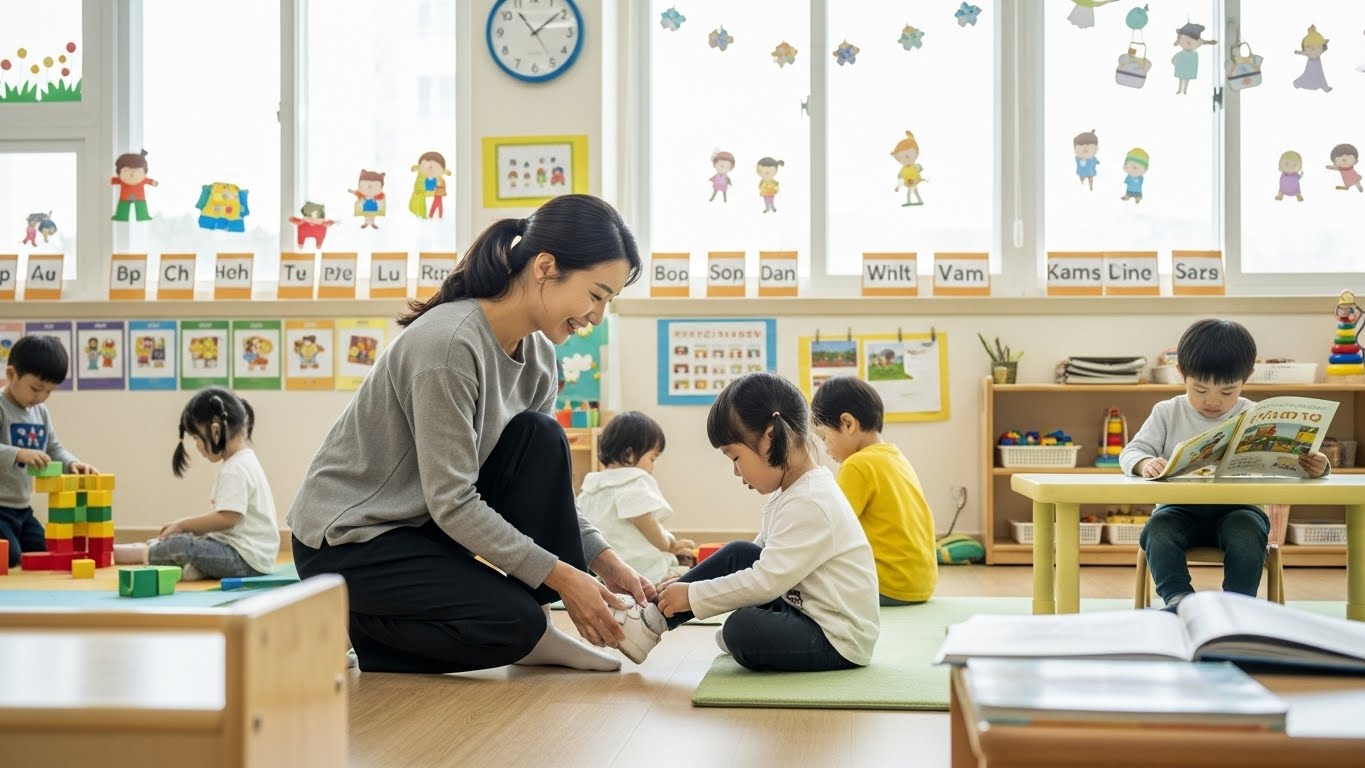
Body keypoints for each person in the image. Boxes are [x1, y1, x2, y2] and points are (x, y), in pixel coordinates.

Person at [288, 194, 648, 674]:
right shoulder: (449, 345)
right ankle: (356, 622)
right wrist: (565, 579)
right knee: (511, 625)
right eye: (597, 294)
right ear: (546, 267)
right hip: (350, 542)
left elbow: (547, 492)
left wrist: (604, 561)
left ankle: (534, 628)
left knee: (542, 438)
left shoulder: (540, 359)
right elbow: (453, 500)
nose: (597, 315)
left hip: (425, 531)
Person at [613, 372, 880, 672]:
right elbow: (755, 557)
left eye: (735, 458)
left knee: (740, 630)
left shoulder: (812, 501)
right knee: (739, 552)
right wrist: (694, 582)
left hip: (837, 639)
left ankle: (659, 623)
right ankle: (651, 623)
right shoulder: (792, 492)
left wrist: (693, 594)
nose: (737, 473)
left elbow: (766, 581)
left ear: (770, 438)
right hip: (804, 607)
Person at [1120, 319, 1330, 612]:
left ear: (1247, 378)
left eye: (1228, 391)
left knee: (1246, 531)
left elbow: (1291, 459)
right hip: (1178, 510)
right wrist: (1144, 463)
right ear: (1181, 373)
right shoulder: (1167, 412)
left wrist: (1317, 465)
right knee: (1158, 530)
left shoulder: (1257, 415)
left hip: (1239, 509)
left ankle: (1237, 606)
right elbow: (1132, 451)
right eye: (1200, 390)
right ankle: (1179, 600)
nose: (1213, 401)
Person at [810, 376, 937, 605]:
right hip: (920, 583)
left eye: (823, 436)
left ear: (848, 423)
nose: (825, 448)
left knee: (806, 583)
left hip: (888, 586)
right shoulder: (896, 457)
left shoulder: (856, 465)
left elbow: (831, 528)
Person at [149, 387, 278, 580]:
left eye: (196, 438)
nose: (197, 447)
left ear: (215, 431)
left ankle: (143, 553)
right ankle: (199, 569)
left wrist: (183, 524)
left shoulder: (235, 468)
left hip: (243, 558)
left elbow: (227, 518)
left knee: (182, 546)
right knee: (194, 543)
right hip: (250, 557)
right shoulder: (243, 461)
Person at [0, 335, 98, 568]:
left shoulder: (40, 412)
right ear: (11, 374)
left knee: (44, 552)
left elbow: (53, 447)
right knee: (10, 557)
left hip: (23, 509)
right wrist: (18, 453)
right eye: (35, 389)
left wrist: (72, 463)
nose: (40, 397)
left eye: (48, 392)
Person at [577, 411, 694, 584]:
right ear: (630, 455)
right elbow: (648, 524)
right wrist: (670, 546)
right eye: (652, 459)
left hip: (598, 568)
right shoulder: (632, 481)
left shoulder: (592, 486)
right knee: (683, 574)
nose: (652, 468)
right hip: (635, 568)